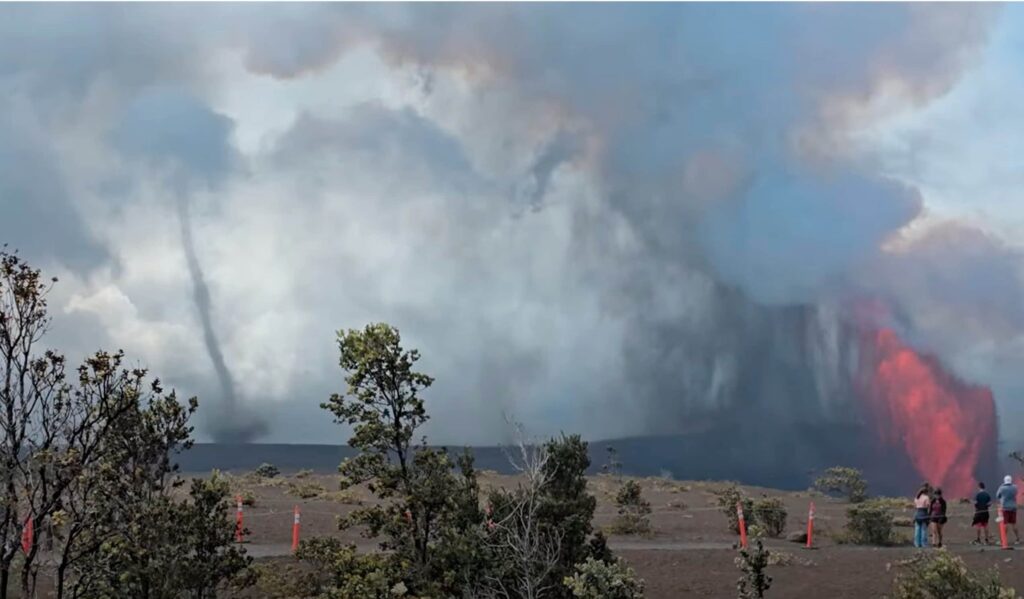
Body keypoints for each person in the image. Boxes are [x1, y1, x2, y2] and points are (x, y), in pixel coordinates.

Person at [997, 475, 1020, 545]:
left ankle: (1003, 540)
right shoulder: (1015, 487)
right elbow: (1016, 493)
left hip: (1005, 508)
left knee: (1005, 524)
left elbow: (998, 495)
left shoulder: (1002, 488)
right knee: (1014, 524)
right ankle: (1017, 538)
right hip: (1013, 508)